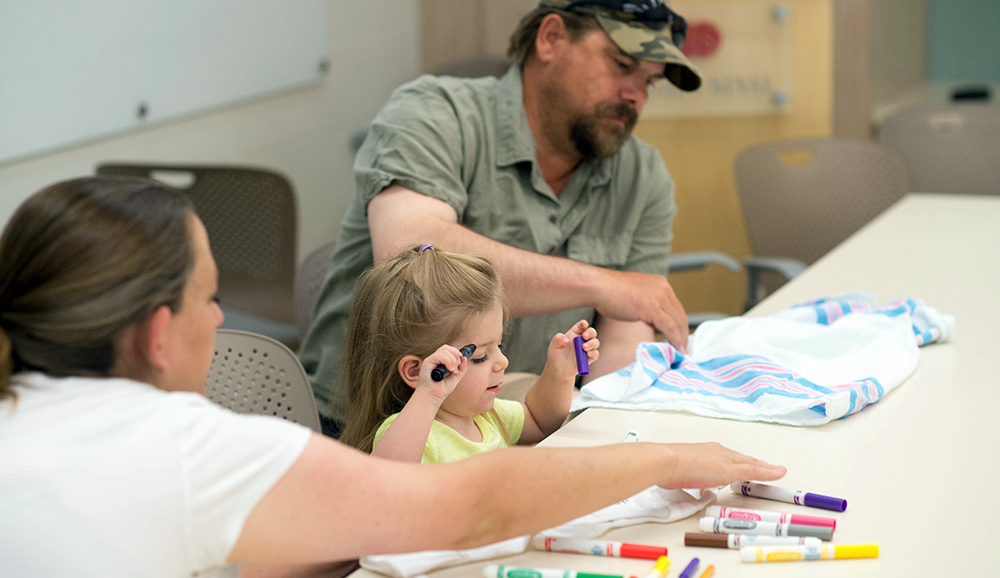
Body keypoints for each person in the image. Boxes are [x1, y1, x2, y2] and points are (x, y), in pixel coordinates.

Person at [0, 177, 785, 577]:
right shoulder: (172, 442)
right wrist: (668, 460)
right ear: (156, 332)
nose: (219, 317)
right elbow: (464, 505)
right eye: (209, 296)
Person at [300, 0, 705, 436]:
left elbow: (621, 347)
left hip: (515, 433)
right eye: (622, 65)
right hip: (365, 437)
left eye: (650, 81)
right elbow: (411, 249)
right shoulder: (435, 112)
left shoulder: (642, 176)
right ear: (551, 38)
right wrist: (603, 283)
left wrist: (609, 433)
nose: (636, 94)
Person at [339, 245, 599, 462]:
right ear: (418, 372)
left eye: (500, 345)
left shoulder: (485, 416)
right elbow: (383, 481)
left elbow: (541, 421)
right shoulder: (409, 434)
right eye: (480, 357)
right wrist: (428, 397)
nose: (502, 362)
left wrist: (559, 373)